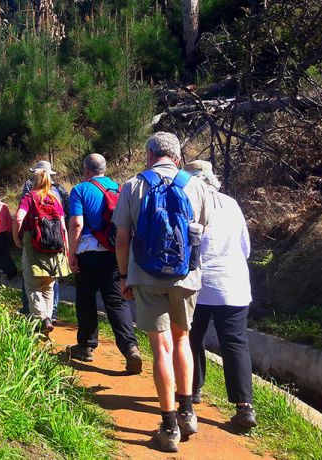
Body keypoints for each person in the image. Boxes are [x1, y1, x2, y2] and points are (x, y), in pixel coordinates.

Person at [112, 132, 209, 453]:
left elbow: (122, 238)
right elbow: (201, 233)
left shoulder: (133, 185)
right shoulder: (196, 185)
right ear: (178, 157)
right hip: (186, 275)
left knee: (160, 347)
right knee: (183, 340)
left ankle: (168, 428)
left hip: (146, 274)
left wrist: (125, 276)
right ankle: (188, 412)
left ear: (150, 154)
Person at [185, 160, 257, 429]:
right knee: (236, 343)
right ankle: (245, 407)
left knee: (192, 338)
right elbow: (245, 248)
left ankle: (192, 391)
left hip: (198, 284)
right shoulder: (231, 204)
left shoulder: (188, 204)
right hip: (234, 283)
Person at [67, 153, 143, 374]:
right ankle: (130, 348)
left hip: (88, 253)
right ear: (104, 168)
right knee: (116, 303)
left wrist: (72, 253)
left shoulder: (80, 190)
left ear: (86, 170)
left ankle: (86, 346)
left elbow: (77, 224)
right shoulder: (119, 188)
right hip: (115, 252)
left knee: (86, 299)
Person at [13, 169, 69, 333]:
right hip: (55, 247)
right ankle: (49, 317)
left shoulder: (30, 197)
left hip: (34, 246)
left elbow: (18, 217)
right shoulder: (55, 198)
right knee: (48, 286)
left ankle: (43, 318)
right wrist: (66, 248)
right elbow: (63, 227)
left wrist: (16, 238)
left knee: (32, 286)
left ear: (34, 181)